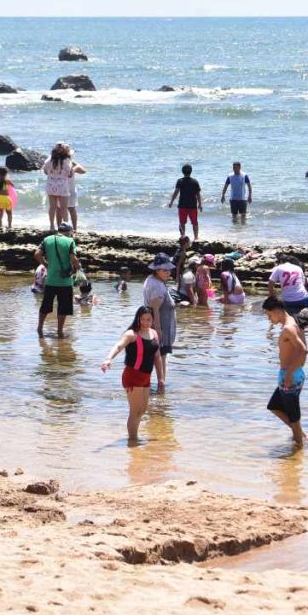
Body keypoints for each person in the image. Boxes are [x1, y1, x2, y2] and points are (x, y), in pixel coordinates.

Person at [101, 306, 164, 441]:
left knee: (143, 409)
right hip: (132, 375)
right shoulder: (132, 334)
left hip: (146, 376)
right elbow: (118, 346)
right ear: (138, 319)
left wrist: (161, 379)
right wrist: (108, 359)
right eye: (143, 319)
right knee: (135, 411)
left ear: (153, 319)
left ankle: (133, 437)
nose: (146, 322)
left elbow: (157, 357)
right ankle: (133, 440)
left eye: (149, 319)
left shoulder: (154, 334)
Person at [263, 297, 308, 446]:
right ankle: (301, 434)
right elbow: (301, 353)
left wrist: (290, 374)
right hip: (294, 374)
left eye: (269, 315)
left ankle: (298, 452)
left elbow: (303, 350)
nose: (269, 319)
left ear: (277, 311)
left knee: (293, 417)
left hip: (290, 376)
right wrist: (296, 371)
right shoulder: (295, 323)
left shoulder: (288, 328)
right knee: (274, 406)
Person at [35, 222, 79, 338]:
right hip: (65, 282)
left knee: (46, 305)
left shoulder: (47, 239)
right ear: (69, 231)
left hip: (50, 280)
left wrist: (46, 264)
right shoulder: (70, 241)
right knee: (63, 308)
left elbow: (37, 254)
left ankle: (40, 327)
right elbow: (73, 258)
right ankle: (59, 331)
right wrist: (77, 268)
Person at [142, 252, 177, 388]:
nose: (168, 272)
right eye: (164, 270)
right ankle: (160, 388)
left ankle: (154, 387)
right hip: (160, 328)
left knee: (157, 358)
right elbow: (155, 309)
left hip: (160, 327)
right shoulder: (156, 285)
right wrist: (158, 330)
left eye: (169, 269)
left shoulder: (154, 281)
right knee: (160, 358)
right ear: (156, 270)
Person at [43, 142, 74, 231]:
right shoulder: (66, 161)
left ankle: (52, 226)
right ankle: (66, 226)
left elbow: (45, 171)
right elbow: (70, 174)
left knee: (52, 207)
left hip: (51, 184)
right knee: (64, 208)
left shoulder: (49, 160)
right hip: (62, 186)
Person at [168, 164, 202, 240]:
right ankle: (196, 237)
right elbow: (198, 194)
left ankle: (183, 236)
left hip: (182, 205)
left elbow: (176, 192)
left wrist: (171, 201)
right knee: (194, 222)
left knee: (182, 223)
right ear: (191, 171)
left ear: (182, 172)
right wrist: (200, 204)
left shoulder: (180, 181)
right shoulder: (195, 181)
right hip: (192, 205)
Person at [66, 149, 88, 231]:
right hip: (65, 189)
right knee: (69, 209)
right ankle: (70, 229)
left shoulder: (70, 162)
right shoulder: (68, 162)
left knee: (69, 209)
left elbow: (83, 171)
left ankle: (73, 229)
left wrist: (74, 169)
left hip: (68, 189)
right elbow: (83, 171)